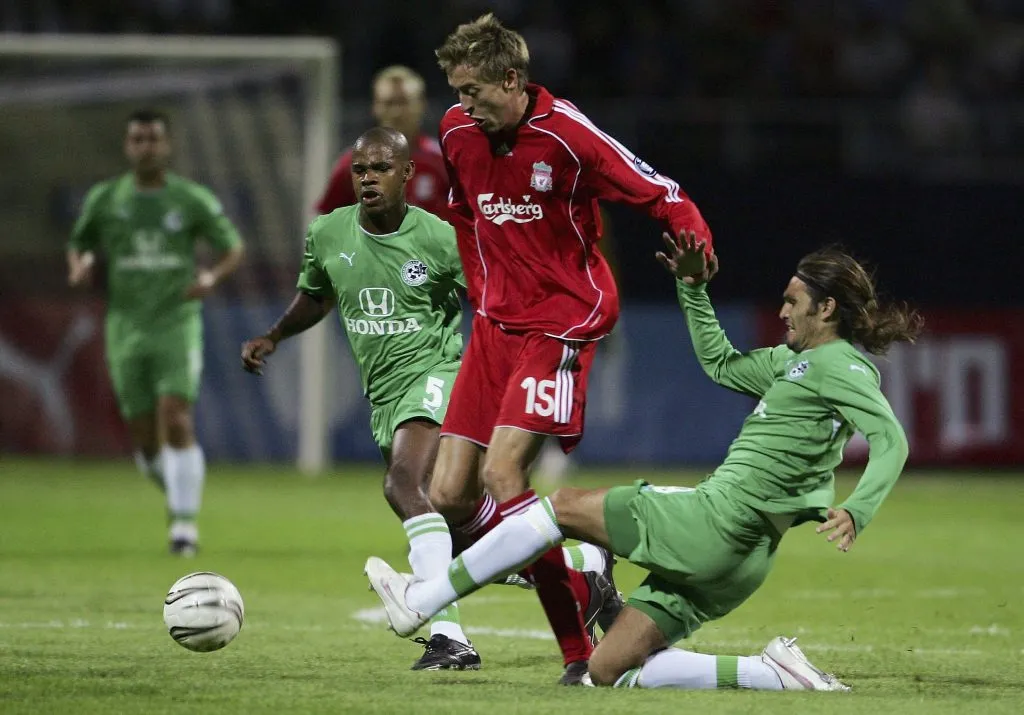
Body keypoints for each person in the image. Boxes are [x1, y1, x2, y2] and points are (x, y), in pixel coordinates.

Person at [366, 236, 922, 692]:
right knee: (609, 670)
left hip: (717, 520)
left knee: (560, 506)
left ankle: (425, 600)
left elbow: (890, 439)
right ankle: (772, 673)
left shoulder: (841, 366)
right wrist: (693, 289)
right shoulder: (792, 363)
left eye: (793, 302)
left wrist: (859, 510)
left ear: (827, 309)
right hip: (741, 561)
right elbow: (721, 364)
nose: (781, 311)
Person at [240, 127, 612, 671]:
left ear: (408, 175)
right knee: (457, 527)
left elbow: (495, 297)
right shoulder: (326, 233)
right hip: (384, 394)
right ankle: (581, 567)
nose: (368, 178)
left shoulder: (440, 237)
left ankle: (449, 636)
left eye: (381, 168)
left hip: (438, 375)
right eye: (361, 169)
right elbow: (317, 294)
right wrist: (273, 334)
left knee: (405, 485)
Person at [419, 13, 713, 684]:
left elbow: (661, 192)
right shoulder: (457, 132)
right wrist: (478, 285)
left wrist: (698, 247)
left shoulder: (570, 135)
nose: (462, 105)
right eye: (456, 91)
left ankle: (577, 654)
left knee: (503, 477)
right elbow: (464, 212)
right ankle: (584, 578)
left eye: (473, 91)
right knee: (448, 495)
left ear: (513, 80)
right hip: (496, 324)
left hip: (562, 319)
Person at [67, 108, 243, 557]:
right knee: (145, 440)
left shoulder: (190, 199)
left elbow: (231, 247)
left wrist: (210, 279)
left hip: (175, 322)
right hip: (125, 326)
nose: (146, 147)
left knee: (177, 415)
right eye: (138, 139)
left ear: (167, 146)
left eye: (153, 139)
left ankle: (183, 526)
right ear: (128, 147)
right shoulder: (106, 199)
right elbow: (80, 241)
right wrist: (80, 263)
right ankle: (178, 489)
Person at [315, 66, 450, 219]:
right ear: (375, 107)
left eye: (403, 102)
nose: (396, 112)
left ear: (422, 105)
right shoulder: (353, 163)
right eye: (389, 103)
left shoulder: (443, 160)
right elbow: (326, 223)